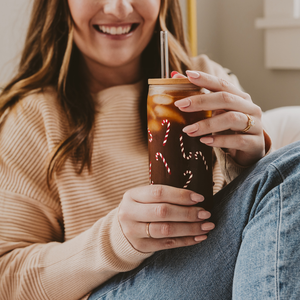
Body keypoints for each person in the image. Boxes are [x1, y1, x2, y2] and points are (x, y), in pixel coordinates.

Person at [0, 0, 299, 299]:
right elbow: (7, 278)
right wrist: (116, 239)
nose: (118, 9)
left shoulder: (205, 80)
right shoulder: (30, 115)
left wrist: (250, 163)